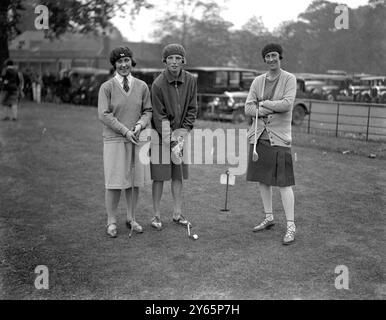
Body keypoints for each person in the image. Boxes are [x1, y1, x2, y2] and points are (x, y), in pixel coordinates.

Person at [244, 43, 297, 245]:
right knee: (263, 180)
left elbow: (287, 104)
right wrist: (264, 108)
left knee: (284, 183)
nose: (271, 59)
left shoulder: (289, 79)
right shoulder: (258, 81)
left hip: (280, 139)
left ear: (280, 56)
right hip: (259, 138)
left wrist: (263, 104)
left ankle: (291, 225)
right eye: (267, 56)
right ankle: (269, 217)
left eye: (274, 55)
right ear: (264, 59)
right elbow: (248, 109)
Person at [98, 46, 152, 238]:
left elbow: (148, 111)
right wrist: (125, 131)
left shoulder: (142, 86)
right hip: (115, 139)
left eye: (126, 60)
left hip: (136, 139)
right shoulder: (107, 87)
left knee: (134, 181)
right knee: (114, 182)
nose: (123, 65)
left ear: (131, 61)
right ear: (114, 65)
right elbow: (104, 115)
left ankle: (131, 218)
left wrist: (139, 125)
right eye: (119, 62)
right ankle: (111, 221)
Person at [150, 43, 197, 230]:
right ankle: (156, 216)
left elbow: (192, 109)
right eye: (170, 58)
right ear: (165, 61)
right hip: (161, 138)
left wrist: (182, 134)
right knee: (160, 176)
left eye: (178, 58)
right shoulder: (158, 84)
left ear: (183, 60)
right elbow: (158, 115)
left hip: (180, 137)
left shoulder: (191, 80)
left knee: (178, 176)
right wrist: (171, 140)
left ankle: (177, 214)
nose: (175, 62)